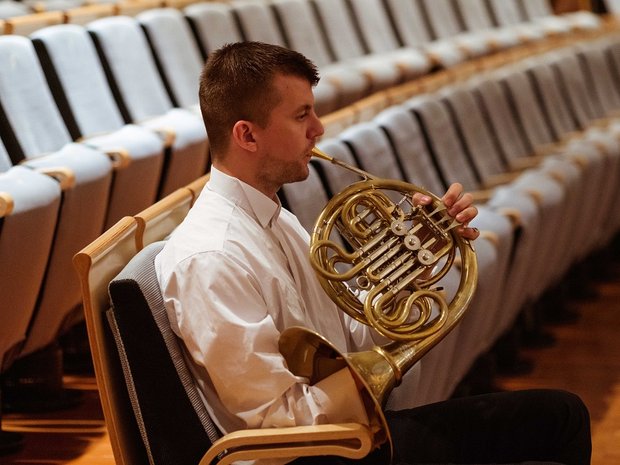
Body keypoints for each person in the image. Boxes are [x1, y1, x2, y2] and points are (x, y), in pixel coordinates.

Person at [155, 41, 591, 465]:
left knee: (561, 414)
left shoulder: (275, 218)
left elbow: (350, 334)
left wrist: (416, 266)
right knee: (560, 420)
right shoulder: (211, 257)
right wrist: (369, 381)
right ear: (247, 135)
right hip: (313, 455)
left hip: (344, 436)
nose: (319, 129)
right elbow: (278, 421)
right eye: (301, 115)